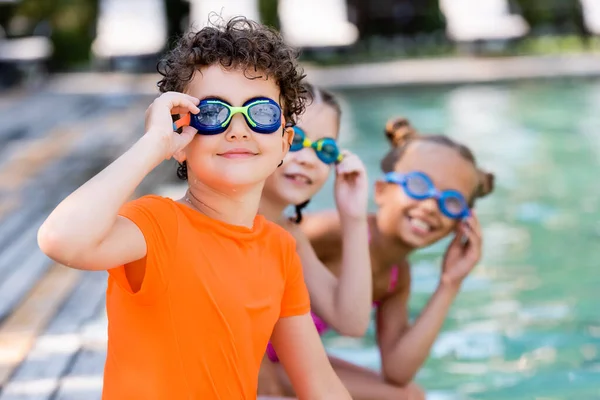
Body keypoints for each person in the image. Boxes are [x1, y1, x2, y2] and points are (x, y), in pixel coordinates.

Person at [37, 17, 351, 400]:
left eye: (262, 113)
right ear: (181, 139)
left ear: (285, 144)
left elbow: (319, 384)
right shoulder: (157, 225)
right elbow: (61, 239)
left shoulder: (279, 250)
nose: (239, 129)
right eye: (214, 113)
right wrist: (152, 145)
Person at [299, 117, 496, 399]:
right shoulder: (334, 231)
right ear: (380, 190)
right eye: (418, 185)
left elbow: (397, 370)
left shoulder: (396, 277)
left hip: (285, 359)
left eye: (451, 202)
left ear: (461, 224)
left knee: (409, 396)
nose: (430, 206)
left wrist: (450, 282)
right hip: (245, 355)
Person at [257, 84, 372, 396]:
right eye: (295, 141)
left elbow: (351, 322)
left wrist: (354, 217)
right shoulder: (220, 223)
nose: (309, 159)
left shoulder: (287, 235)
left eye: (325, 150)